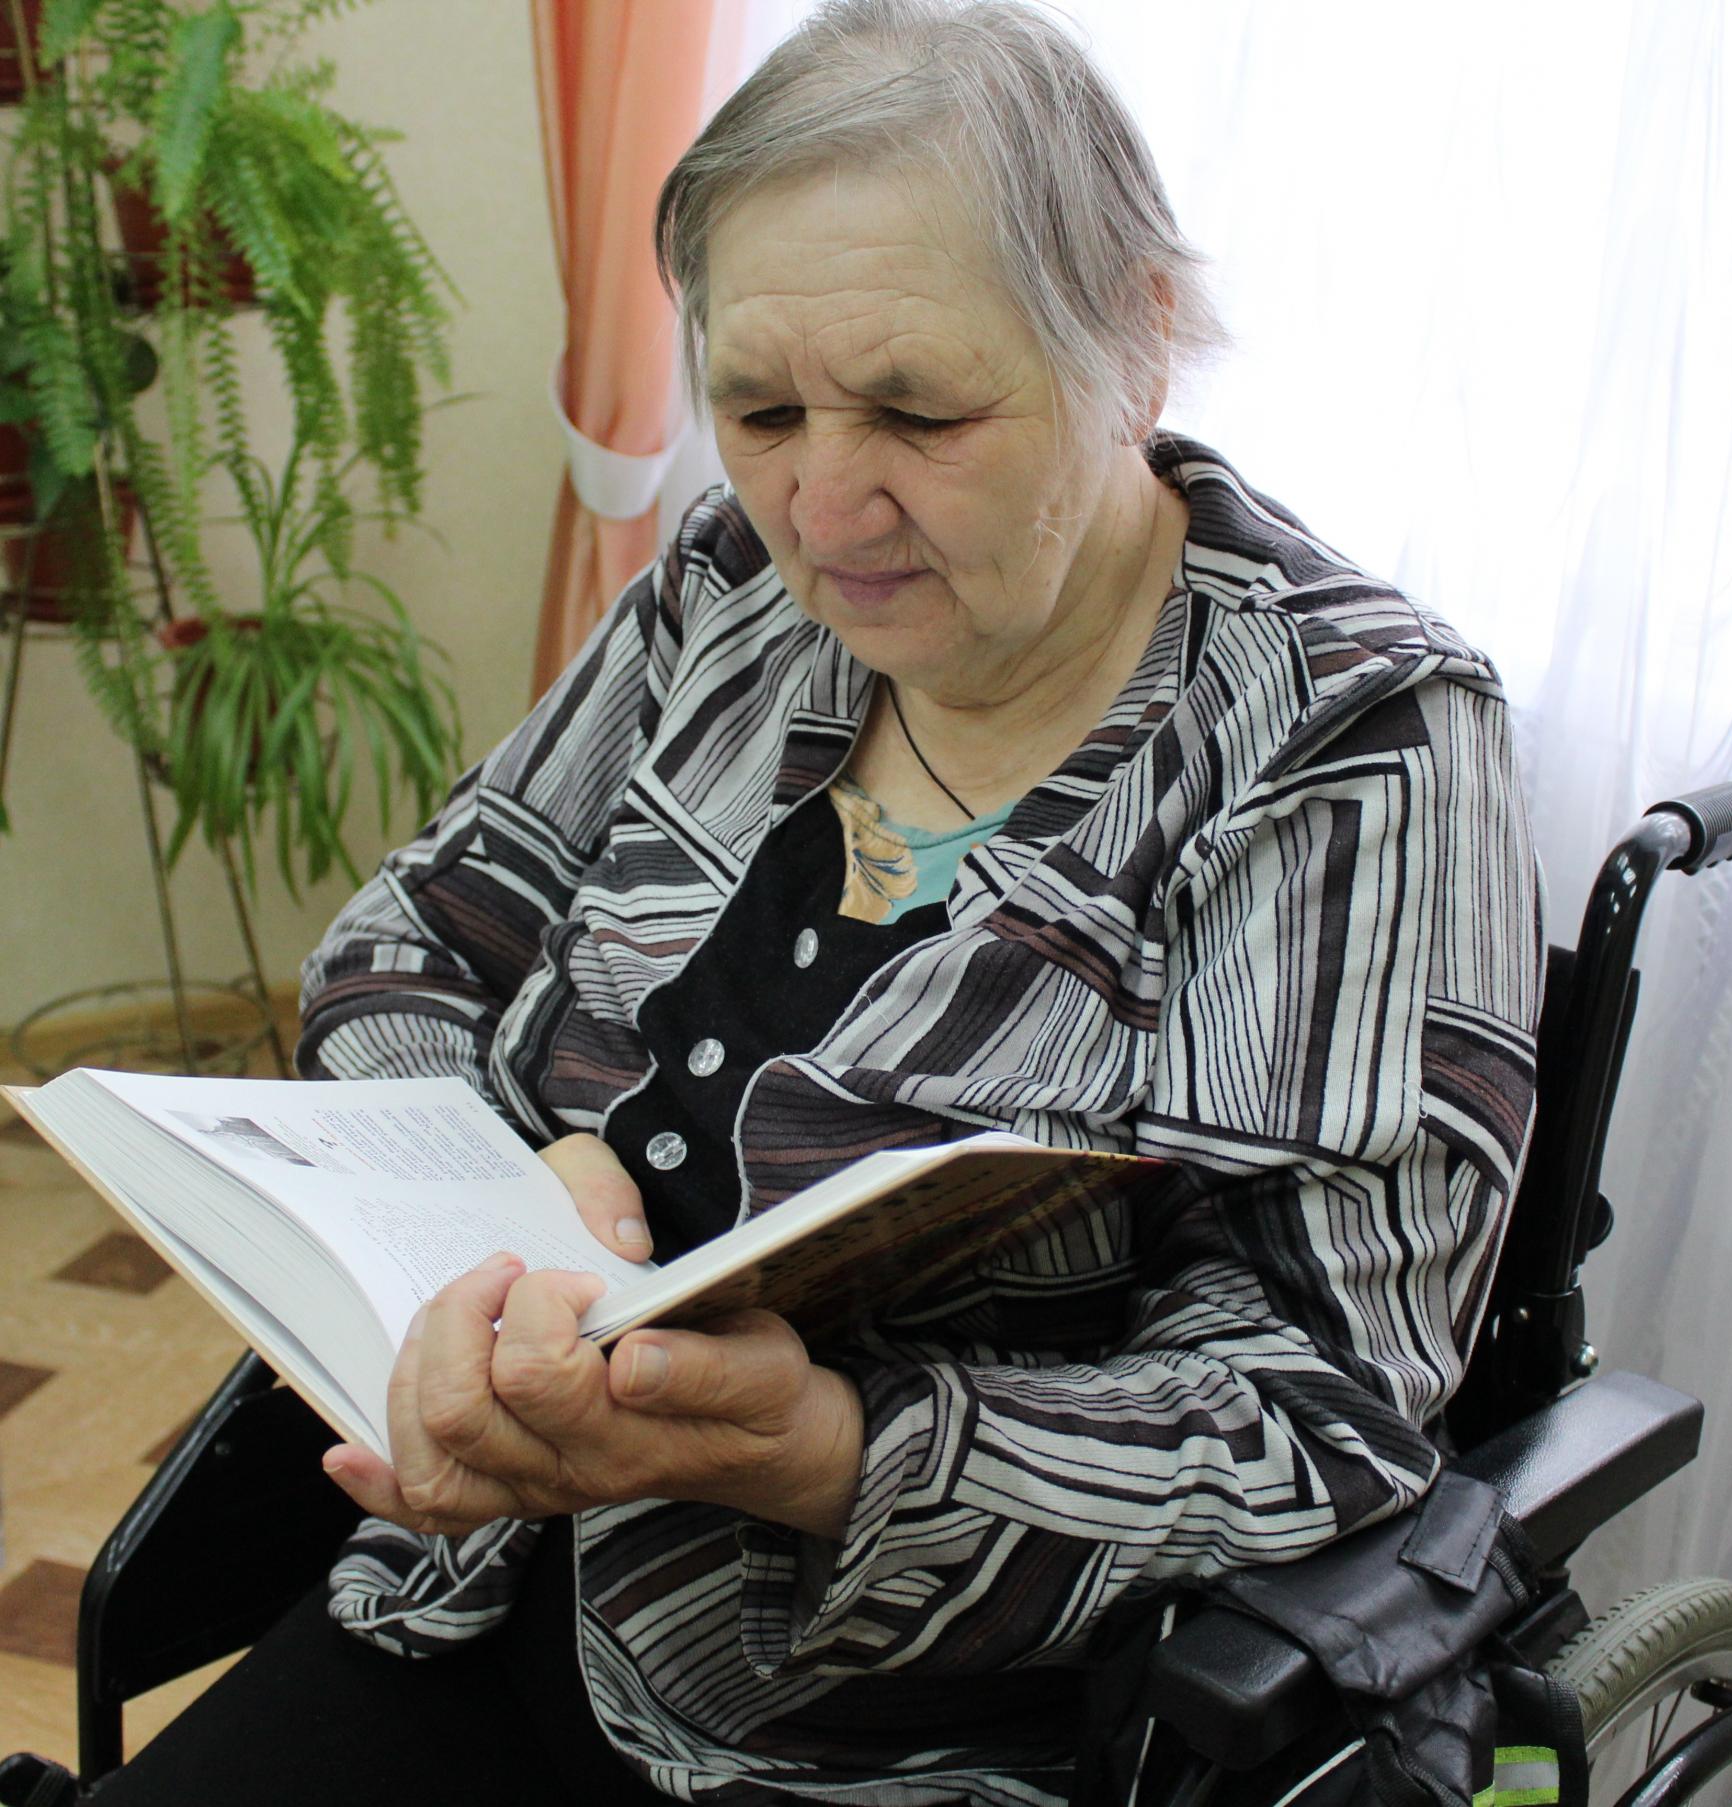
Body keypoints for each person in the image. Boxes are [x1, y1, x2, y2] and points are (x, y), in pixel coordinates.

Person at [90, 2, 1541, 1802]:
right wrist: (499, 1190)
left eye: (919, 411)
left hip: (919, 1731)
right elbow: (412, 945)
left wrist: (837, 1449)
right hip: (479, 1585)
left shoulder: (1345, 738)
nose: (823, 505)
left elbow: (1317, 1399)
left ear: (1139, 344)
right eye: (759, 409)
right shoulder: (729, 593)